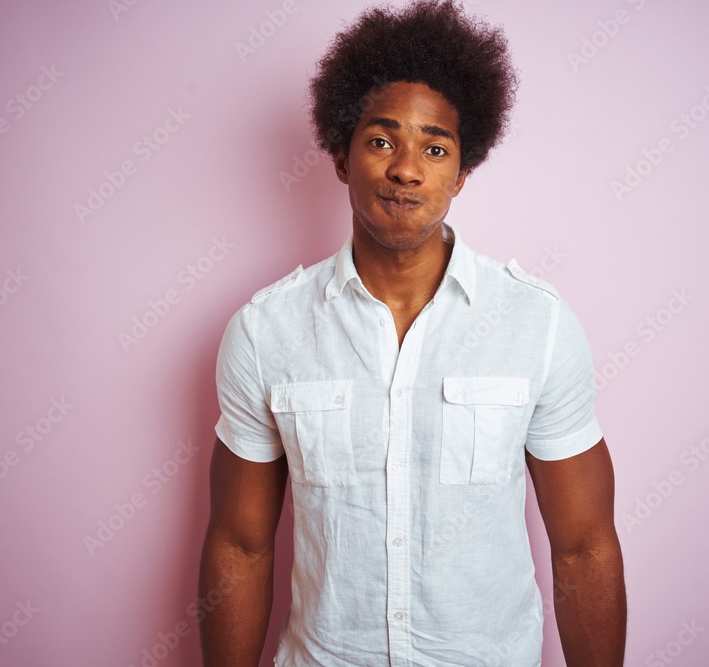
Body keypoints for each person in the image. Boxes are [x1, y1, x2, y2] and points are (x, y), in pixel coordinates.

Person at [198, 1, 626, 665]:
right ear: (341, 156)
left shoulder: (536, 326)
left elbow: (585, 545)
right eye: (380, 140)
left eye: (434, 147)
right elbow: (239, 543)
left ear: (461, 172)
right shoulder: (264, 332)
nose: (406, 168)